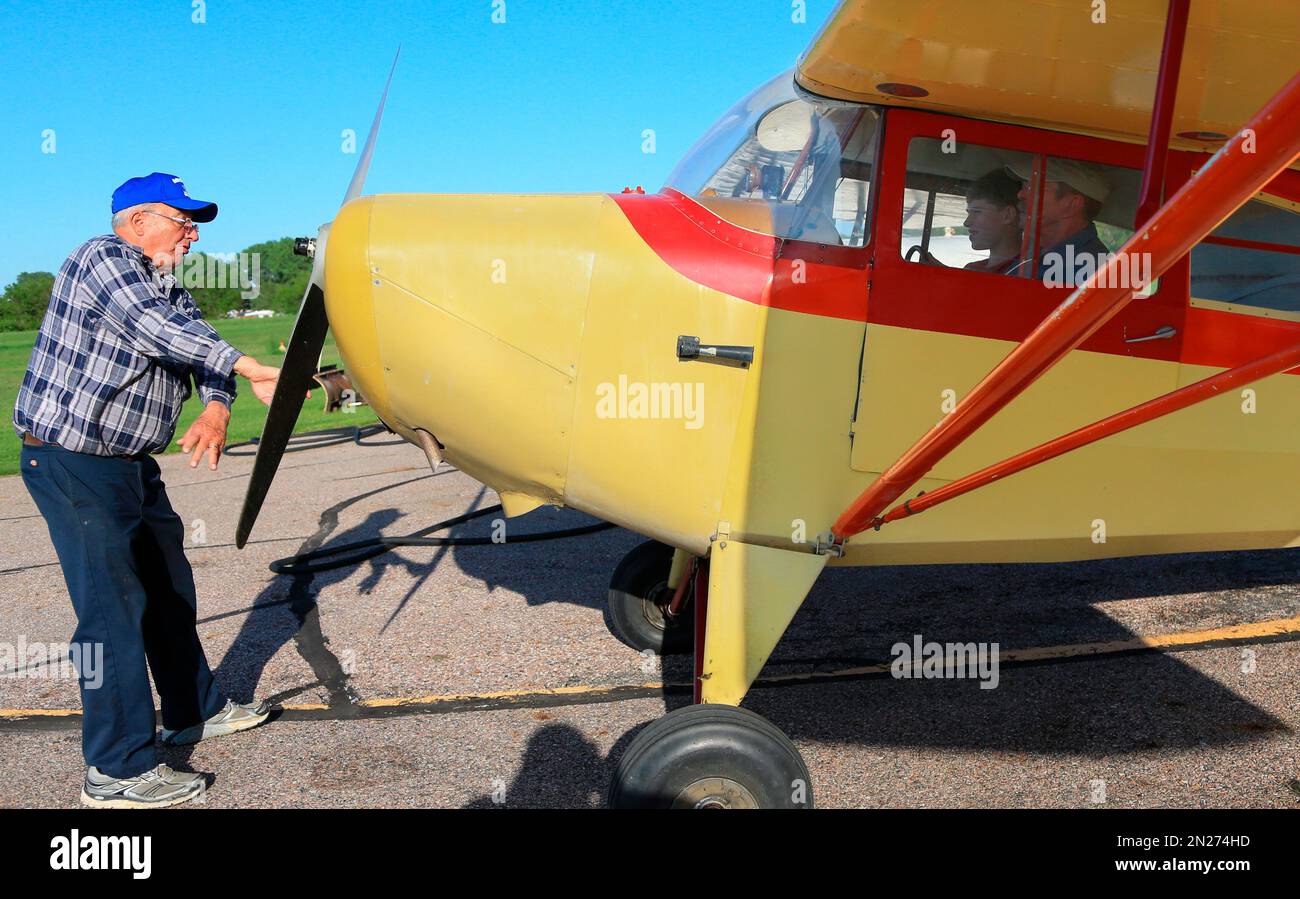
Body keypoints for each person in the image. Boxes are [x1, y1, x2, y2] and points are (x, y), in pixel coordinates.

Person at [13, 172, 286, 808]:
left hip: (131, 463)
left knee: (167, 590)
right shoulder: (101, 259)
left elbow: (202, 352)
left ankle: (192, 709)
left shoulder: (170, 288)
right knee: (110, 614)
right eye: (182, 218)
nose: (192, 232)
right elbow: (156, 332)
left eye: (197, 222)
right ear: (137, 222)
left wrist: (217, 407)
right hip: (72, 461)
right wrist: (246, 368)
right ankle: (116, 770)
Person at [1005, 158, 1112, 284]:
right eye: (1025, 185)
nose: (1020, 194)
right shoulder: (1038, 254)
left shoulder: (1087, 271)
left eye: (1035, 187)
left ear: (1072, 204)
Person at [960, 170, 1023, 274]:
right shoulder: (972, 269)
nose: (966, 223)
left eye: (977, 212)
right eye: (969, 213)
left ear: (1008, 215)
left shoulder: (1024, 273)